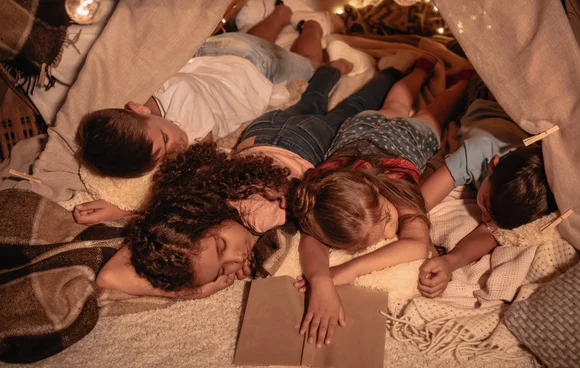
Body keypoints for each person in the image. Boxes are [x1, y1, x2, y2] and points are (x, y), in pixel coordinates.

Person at [96, 59, 412, 300]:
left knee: (349, 110)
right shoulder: (191, 205)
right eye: (222, 270)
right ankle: (331, 69)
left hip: (301, 143)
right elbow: (114, 274)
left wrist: (201, 290)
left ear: (202, 221)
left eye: (222, 247)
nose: (235, 259)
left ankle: (393, 72)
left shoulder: (259, 216)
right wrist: (196, 287)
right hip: (261, 132)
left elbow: (108, 277)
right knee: (308, 102)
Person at [72, 3, 330, 225]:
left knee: (308, 64)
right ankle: (281, 13)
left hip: (256, 67)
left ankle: (312, 26)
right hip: (217, 53)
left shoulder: (187, 108)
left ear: (138, 109)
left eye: (165, 137)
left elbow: (201, 180)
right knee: (251, 41)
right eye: (164, 154)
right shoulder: (150, 100)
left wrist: (129, 210)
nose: (178, 144)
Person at [290, 58, 474, 347]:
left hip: (409, 137)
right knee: (395, 106)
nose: (392, 233)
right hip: (358, 129)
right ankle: (419, 69)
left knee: (432, 114)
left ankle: (458, 81)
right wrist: (321, 279)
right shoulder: (326, 201)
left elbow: (414, 244)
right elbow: (311, 238)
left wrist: (347, 270)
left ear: (372, 185)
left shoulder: (398, 190)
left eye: (388, 219)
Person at [417, 86, 558, 298]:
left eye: (491, 218)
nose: (484, 218)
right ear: (492, 165)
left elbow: (490, 231)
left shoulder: (533, 192)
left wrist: (449, 262)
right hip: (483, 99)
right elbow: (419, 202)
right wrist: (423, 242)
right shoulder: (477, 152)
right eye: (484, 203)